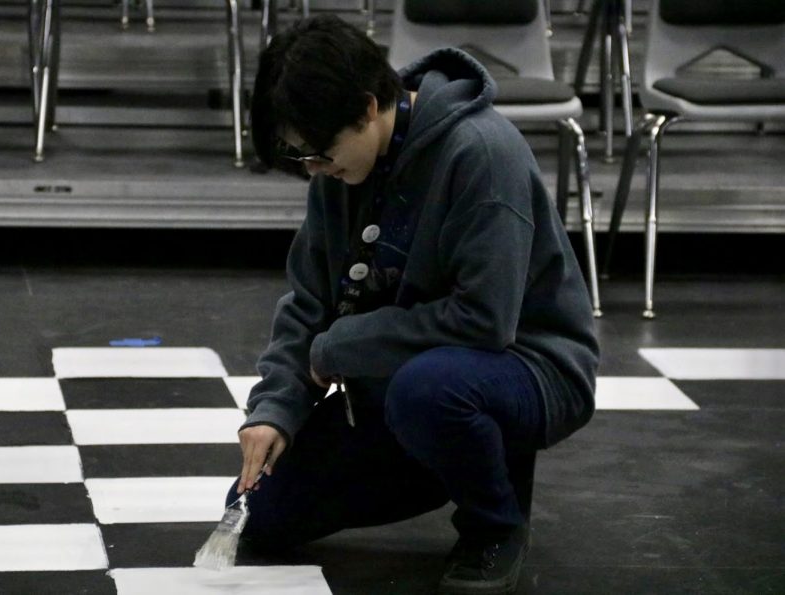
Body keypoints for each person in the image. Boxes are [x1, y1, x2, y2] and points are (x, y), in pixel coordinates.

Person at [226, 15, 600, 595]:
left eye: (320, 155)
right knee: (260, 513)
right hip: (405, 379)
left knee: (431, 391)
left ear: (369, 106)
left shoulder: (481, 152)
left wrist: (344, 345)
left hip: (528, 365)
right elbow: (308, 302)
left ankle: (494, 526)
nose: (315, 172)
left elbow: (485, 321)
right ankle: (444, 454)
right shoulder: (337, 166)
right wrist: (275, 409)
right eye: (303, 159)